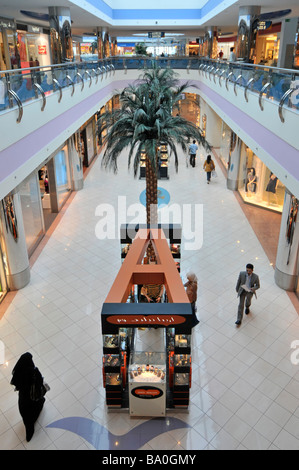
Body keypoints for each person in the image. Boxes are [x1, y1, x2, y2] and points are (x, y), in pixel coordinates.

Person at [10, 352, 46, 442]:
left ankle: (29, 432)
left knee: (27, 416)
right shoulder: (33, 371)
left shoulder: (18, 372)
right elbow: (40, 381)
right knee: (37, 405)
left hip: (23, 400)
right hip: (32, 397)